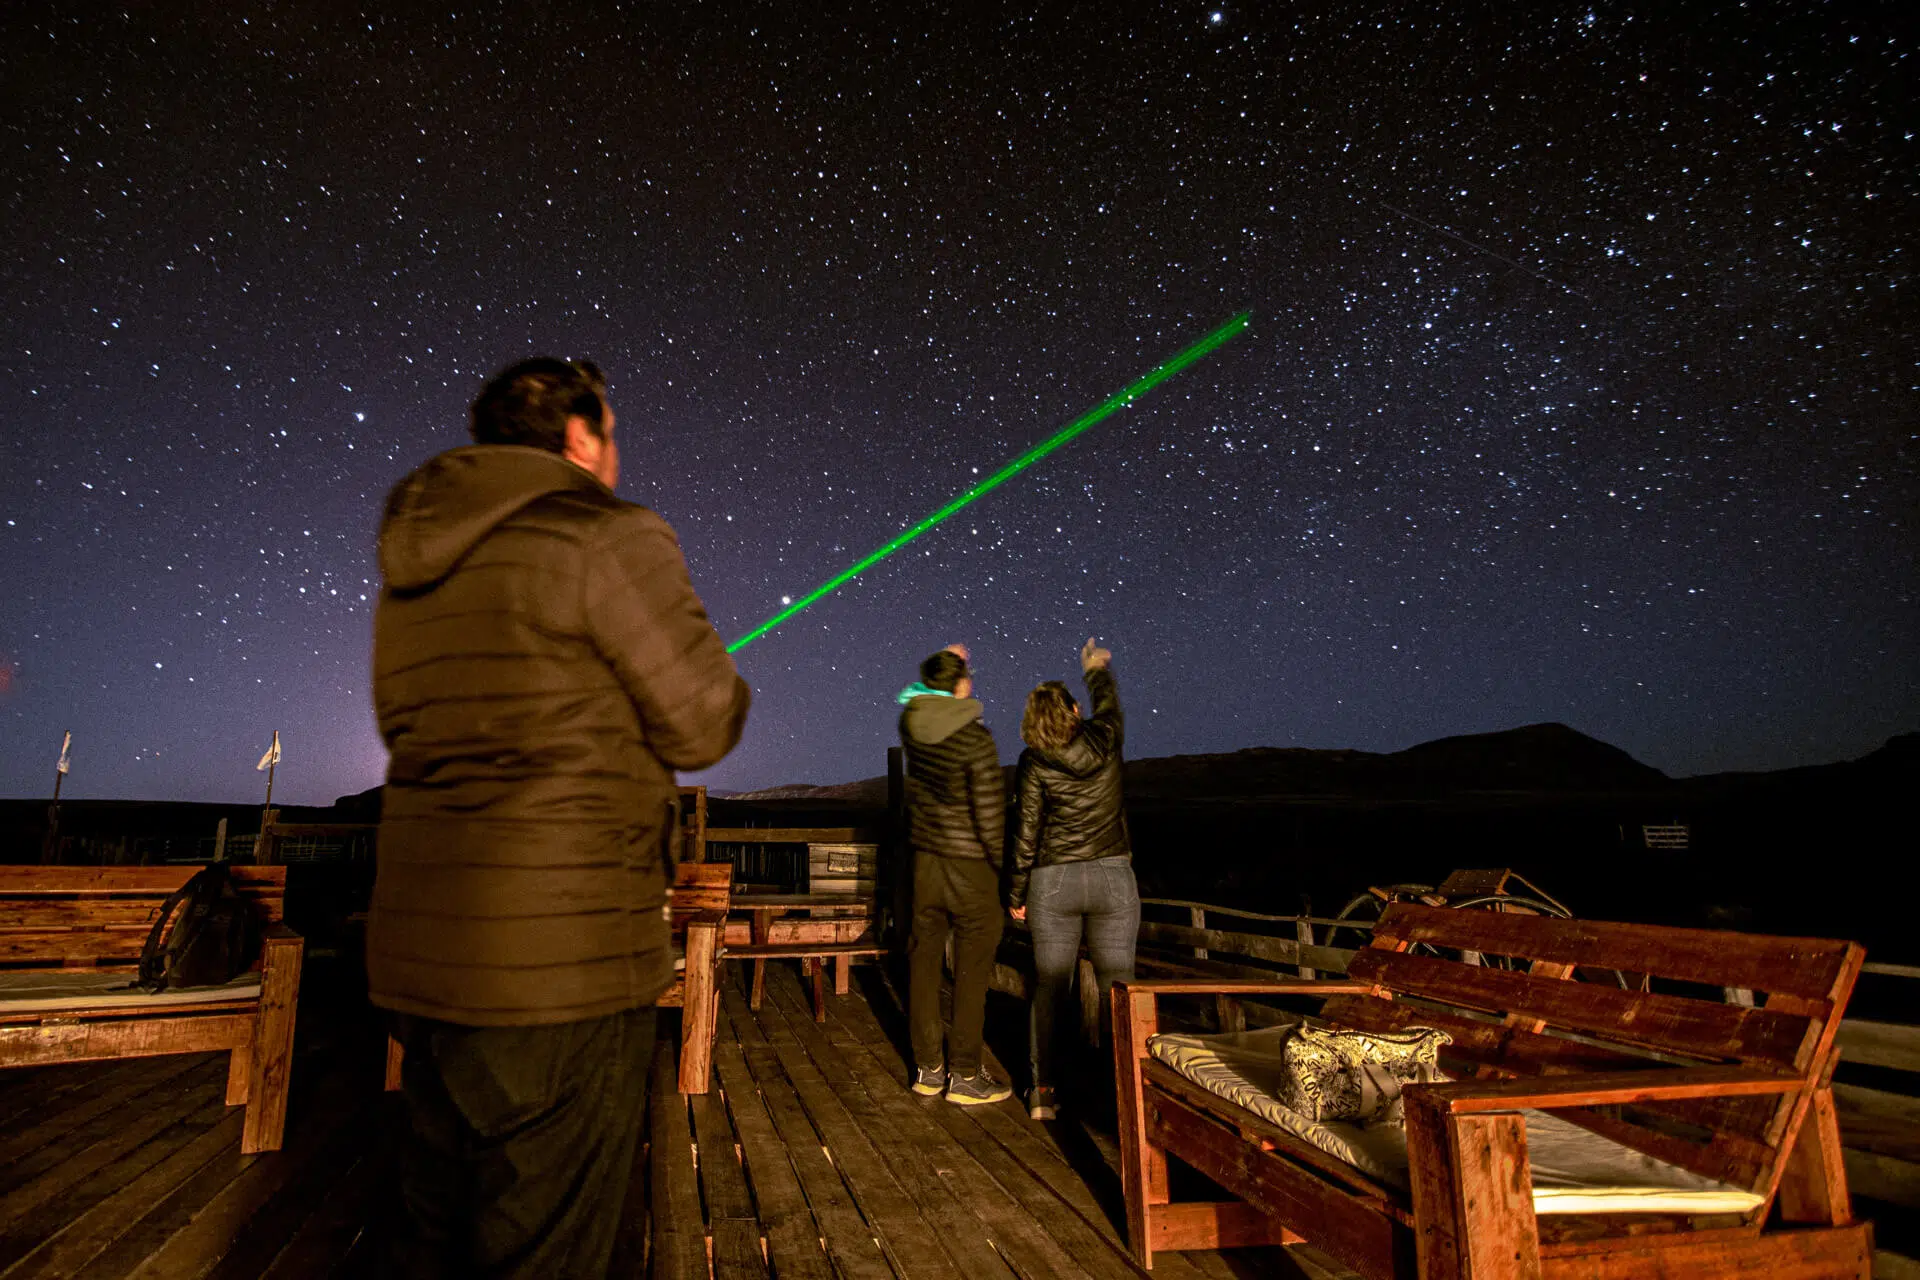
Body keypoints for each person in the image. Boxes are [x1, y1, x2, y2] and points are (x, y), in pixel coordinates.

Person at [367, 357, 750, 1278]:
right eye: (612, 433)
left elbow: (403, 725)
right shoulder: (604, 536)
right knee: (552, 1245)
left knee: (436, 1234)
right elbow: (705, 720)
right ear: (580, 436)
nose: (618, 452)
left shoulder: (414, 567)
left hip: (423, 962)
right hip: (560, 970)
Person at [1008, 637, 1139, 1121]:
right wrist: (1096, 668)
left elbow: (1025, 832)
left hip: (1054, 882)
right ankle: (1124, 1093)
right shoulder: (1105, 738)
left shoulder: (1034, 762)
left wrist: (1016, 893)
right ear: (1074, 710)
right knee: (1119, 987)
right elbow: (1110, 705)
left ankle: (1044, 1091)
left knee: (1050, 987)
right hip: (1112, 876)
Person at [897, 643, 1013, 1105]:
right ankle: (965, 1073)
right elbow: (989, 814)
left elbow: (912, 696)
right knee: (972, 969)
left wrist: (942, 664)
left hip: (924, 863)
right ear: (961, 685)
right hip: (969, 865)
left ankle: (928, 1068)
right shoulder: (974, 738)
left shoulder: (910, 725)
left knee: (923, 963)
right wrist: (1006, 871)